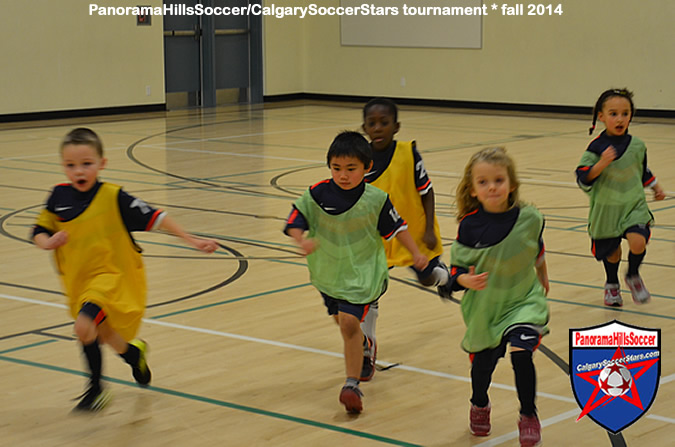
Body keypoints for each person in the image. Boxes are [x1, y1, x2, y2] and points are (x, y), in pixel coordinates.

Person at [32, 128, 219, 411]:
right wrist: (48, 243)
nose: (79, 171)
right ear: (63, 167)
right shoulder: (58, 197)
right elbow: (39, 229)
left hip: (112, 276)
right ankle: (134, 355)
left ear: (102, 163)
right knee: (103, 334)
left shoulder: (114, 197)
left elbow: (158, 217)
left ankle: (96, 390)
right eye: (71, 166)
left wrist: (191, 239)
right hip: (79, 281)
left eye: (86, 164)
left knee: (84, 326)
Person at [284, 131, 428, 414]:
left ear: (367, 168)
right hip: (329, 275)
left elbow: (397, 228)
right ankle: (364, 344)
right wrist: (302, 239)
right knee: (343, 322)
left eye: (351, 169)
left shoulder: (376, 200)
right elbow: (295, 220)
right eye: (337, 168)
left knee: (349, 322)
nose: (343, 175)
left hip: (363, 274)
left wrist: (416, 253)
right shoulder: (316, 194)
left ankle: (352, 385)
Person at [448, 147, 549, 447]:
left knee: (522, 354)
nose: (492, 186)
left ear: (512, 184)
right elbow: (456, 269)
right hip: (486, 307)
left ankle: (528, 414)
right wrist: (465, 278)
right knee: (483, 366)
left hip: (523, 300)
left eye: (498, 180)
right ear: (473, 190)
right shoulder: (470, 225)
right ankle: (479, 402)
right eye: (483, 182)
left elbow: (537, 248)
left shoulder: (530, 217)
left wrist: (543, 275)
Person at [361, 98, 451, 379]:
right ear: (364, 127)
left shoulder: (408, 153)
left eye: (384, 123)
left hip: (411, 231)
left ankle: (444, 278)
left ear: (396, 126)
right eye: (372, 123)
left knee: (425, 277)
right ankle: (366, 351)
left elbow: (427, 190)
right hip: (377, 237)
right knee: (369, 292)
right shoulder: (360, 159)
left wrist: (427, 229)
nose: (378, 128)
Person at [576, 88, 666, 306]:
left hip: (633, 204)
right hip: (607, 209)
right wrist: (601, 163)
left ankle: (633, 275)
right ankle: (612, 284)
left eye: (625, 113)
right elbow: (583, 177)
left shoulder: (637, 146)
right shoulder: (596, 148)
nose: (620, 119)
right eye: (613, 113)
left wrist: (655, 186)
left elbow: (641, 170)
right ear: (601, 116)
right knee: (613, 253)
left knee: (638, 241)